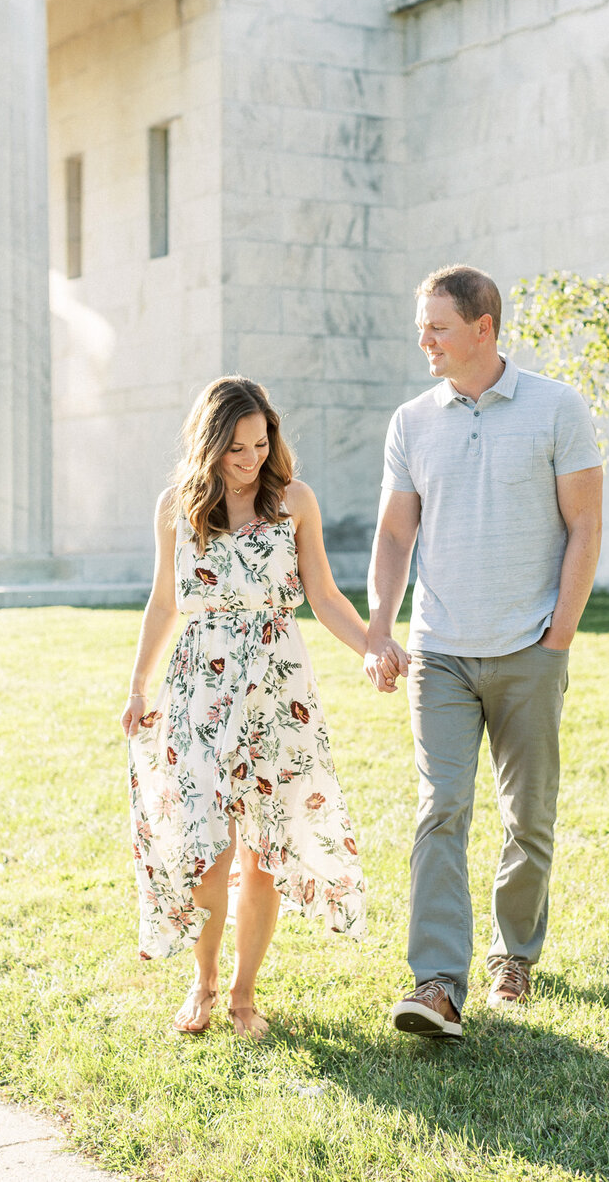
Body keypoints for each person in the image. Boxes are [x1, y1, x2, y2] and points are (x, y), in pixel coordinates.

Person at [363, 265, 603, 1039]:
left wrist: (558, 633)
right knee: (441, 808)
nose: (423, 338)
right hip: (440, 651)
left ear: (483, 328)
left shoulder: (557, 407)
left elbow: (585, 526)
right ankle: (436, 981)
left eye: (437, 325)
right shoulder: (411, 421)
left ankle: (514, 955)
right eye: (421, 325)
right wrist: (380, 623)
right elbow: (397, 532)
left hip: (530, 645)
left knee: (527, 815)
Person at [121, 376, 386, 1039]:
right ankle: (203, 982)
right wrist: (137, 688)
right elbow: (164, 604)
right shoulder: (177, 506)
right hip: (201, 691)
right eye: (236, 446)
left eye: (260, 443)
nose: (249, 458)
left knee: (263, 850)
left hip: (276, 688)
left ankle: (244, 993)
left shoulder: (293, 500)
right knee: (210, 851)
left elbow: (323, 595)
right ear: (210, 442)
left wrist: (370, 647)